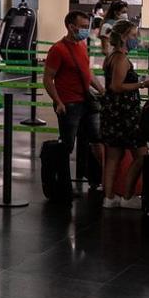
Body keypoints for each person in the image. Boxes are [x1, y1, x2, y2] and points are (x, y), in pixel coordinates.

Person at [100, 20, 149, 209]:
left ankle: (108, 197)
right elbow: (116, 86)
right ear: (124, 37)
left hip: (112, 113)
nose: (136, 39)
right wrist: (143, 84)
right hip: (125, 114)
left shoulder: (111, 56)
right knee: (141, 154)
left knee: (113, 156)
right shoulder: (122, 59)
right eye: (133, 35)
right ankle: (128, 195)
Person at [43, 10, 106, 181]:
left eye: (88, 26)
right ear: (71, 27)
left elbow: (87, 73)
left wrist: (101, 90)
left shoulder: (82, 45)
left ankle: (100, 177)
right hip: (69, 104)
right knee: (67, 144)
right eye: (83, 27)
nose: (86, 30)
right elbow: (48, 79)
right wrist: (58, 102)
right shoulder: (58, 49)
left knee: (97, 139)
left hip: (87, 101)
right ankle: (62, 182)